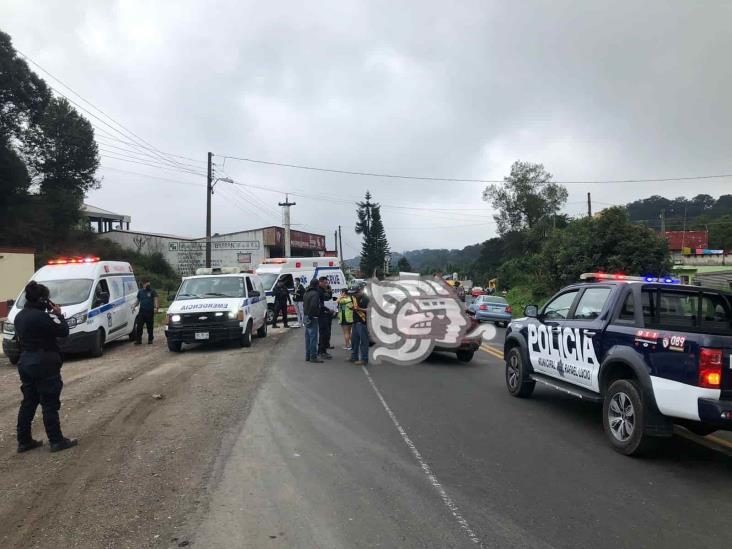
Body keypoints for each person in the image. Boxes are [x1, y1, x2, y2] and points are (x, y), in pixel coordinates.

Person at [14, 281, 77, 453]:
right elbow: (63, 331)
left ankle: (24, 440)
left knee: (28, 401)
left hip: (25, 361)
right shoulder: (43, 317)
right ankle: (56, 441)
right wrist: (59, 314)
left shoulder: (20, 316)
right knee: (49, 402)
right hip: (44, 362)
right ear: (43, 300)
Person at [349, 284, 370, 366]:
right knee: (354, 341)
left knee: (364, 342)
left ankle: (364, 359)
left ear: (361, 290)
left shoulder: (366, 298)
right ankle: (354, 356)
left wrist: (359, 309)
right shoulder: (354, 297)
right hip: (355, 321)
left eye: (355, 293)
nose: (354, 295)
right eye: (353, 293)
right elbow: (354, 306)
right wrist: (352, 307)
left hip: (363, 322)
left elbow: (370, 309)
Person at [303, 279, 322, 363]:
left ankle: (308, 355)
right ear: (316, 285)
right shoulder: (315, 294)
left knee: (308, 337)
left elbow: (304, 305)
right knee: (313, 338)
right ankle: (313, 357)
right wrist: (312, 316)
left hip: (306, 316)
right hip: (312, 317)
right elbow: (313, 306)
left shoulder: (306, 293)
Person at [134, 280, 159, 344]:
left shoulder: (152, 291)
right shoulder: (140, 292)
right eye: (146, 284)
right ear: (143, 284)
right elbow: (137, 301)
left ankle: (150, 339)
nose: (148, 285)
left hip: (150, 312)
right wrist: (134, 306)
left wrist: (156, 307)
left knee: (150, 326)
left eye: (149, 284)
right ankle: (138, 340)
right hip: (142, 312)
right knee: (139, 326)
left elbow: (155, 299)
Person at [317, 277, 334, 359]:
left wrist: (329, 291)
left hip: (325, 314)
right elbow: (321, 304)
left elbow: (328, 298)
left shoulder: (323, 290)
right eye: (325, 282)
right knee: (323, 333)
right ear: (320, 282)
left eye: (327, 283)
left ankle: (322, 350)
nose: (326, 284)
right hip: (321, 314)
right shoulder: (319, 290)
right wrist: (328, 309)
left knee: (325, 333)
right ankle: (321, 352)